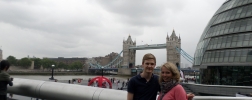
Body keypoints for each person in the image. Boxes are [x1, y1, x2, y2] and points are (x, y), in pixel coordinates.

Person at [127, 53, 194, 100]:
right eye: (147, 63)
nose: (149, 66)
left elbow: (169, 91)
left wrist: (183, 96)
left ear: (155, 65)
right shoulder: (133, 81)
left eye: (152, 64)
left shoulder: (157, 80)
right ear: (142, 64)